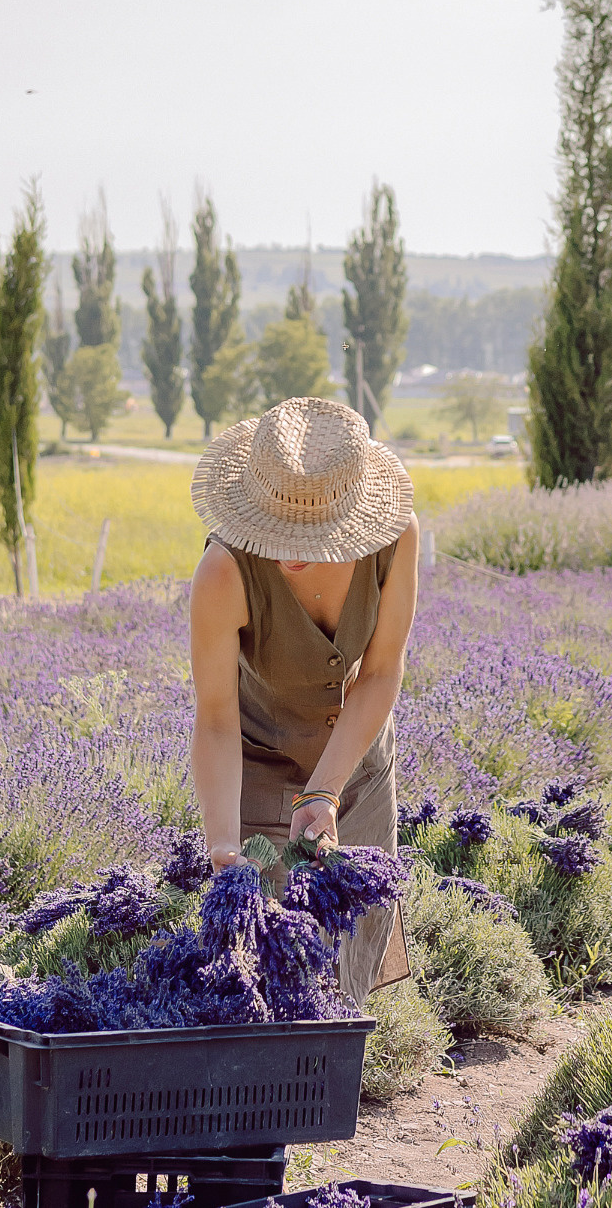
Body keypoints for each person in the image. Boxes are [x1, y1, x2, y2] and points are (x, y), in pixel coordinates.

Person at [187, 397, 419, 1003]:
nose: (289, 549)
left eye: (311, 534)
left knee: (347, 961)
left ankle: (331, 1093)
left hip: (354, 767)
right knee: (265, 972)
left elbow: (382, 671)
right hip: (259, 773)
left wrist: (326, 790)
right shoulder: (224, 573)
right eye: (277, 526)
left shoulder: (395, 541)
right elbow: (214, 720)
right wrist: (221, 847)